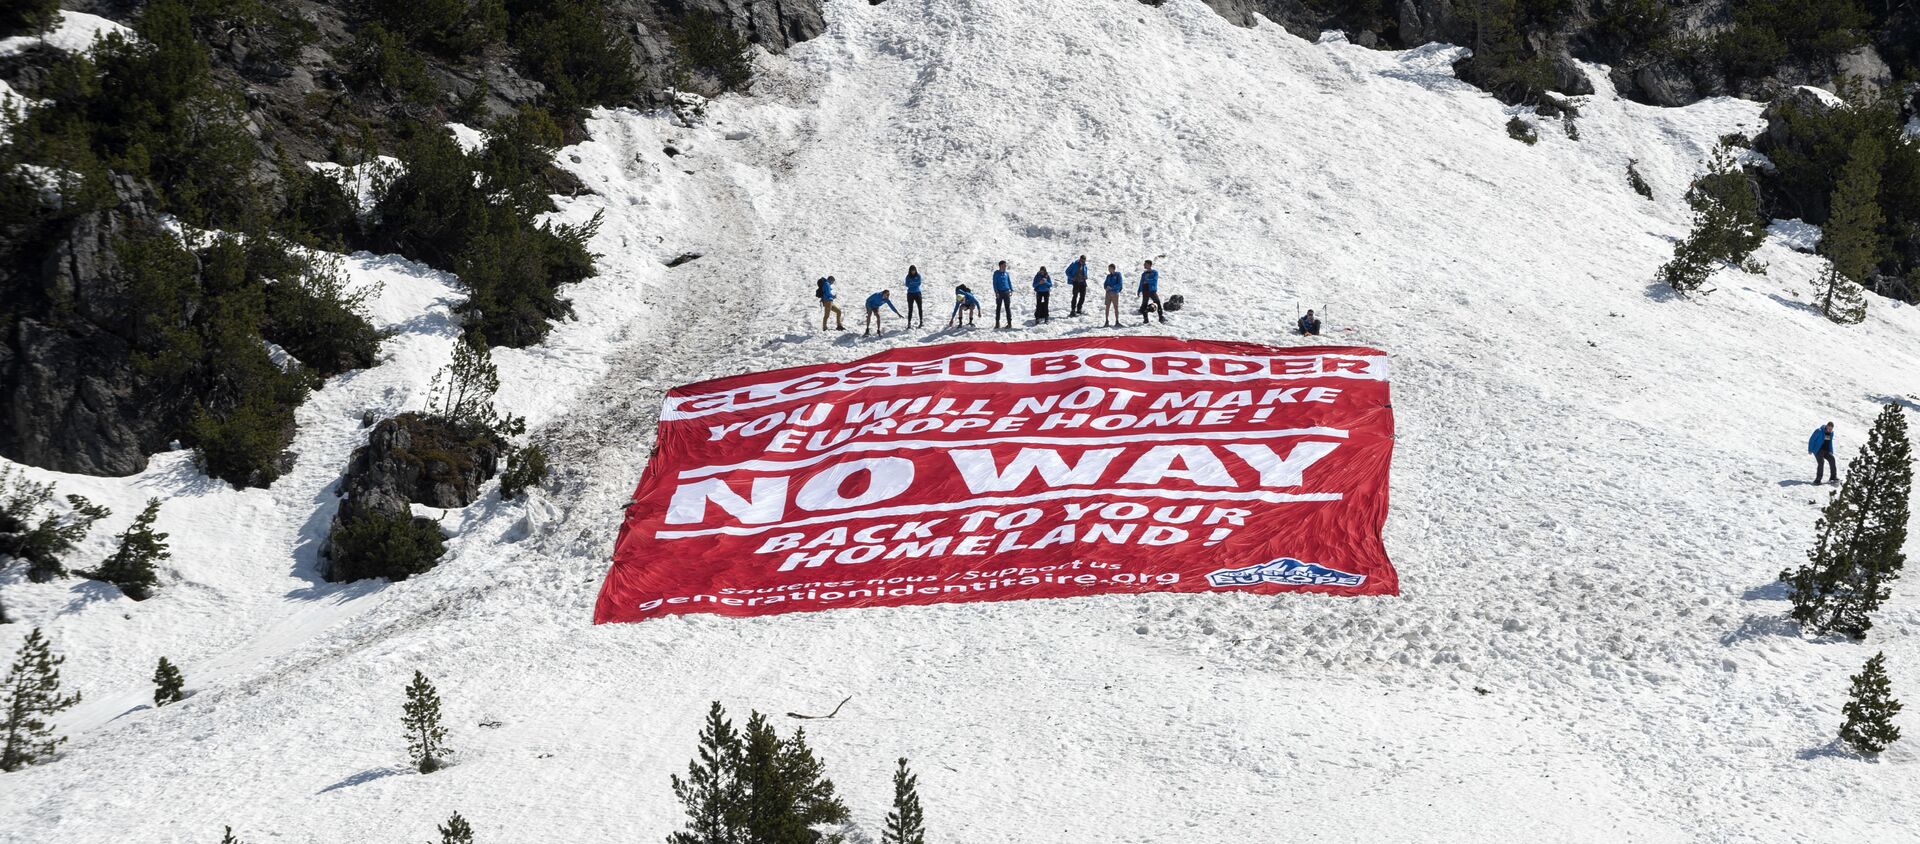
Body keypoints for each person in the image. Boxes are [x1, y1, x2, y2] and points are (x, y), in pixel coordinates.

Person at [1138, 260, 1164, 324]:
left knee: (1157, 302)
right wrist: (1139, 290)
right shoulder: (1144, 274)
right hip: (1145, 290)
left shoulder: (1154, 272)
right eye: (1144, 264)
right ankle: (1145, 319)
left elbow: (1154, 280)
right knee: (1144, 304)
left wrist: (1147, 280)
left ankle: (1161, 317)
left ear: (1149, 265)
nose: (1144, 265)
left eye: (1145, 264)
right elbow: (1141, 282)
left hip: (1152, 290)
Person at [992, 261, 1014, 328]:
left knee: (1007, 308)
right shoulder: (996, 273)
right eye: (1004, 265)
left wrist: (1011, 289)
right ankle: (997, 323)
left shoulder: (1006, 273)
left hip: (1006, 292)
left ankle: (1009, 323)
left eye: (1005, 266)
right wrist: (996, 292)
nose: (1005, 267)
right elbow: (994, 283)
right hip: (999, 293)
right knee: (998, 308)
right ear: (1000, 266)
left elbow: (1009, 282)